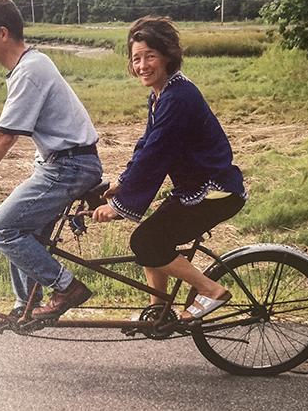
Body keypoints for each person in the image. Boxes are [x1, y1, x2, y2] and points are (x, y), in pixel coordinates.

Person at [0, 0, 102, 323]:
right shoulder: (27, 66)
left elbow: (4, 135)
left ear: (2, 33)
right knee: (21, 229)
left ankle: (66, 287)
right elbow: (6, 134)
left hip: (70, 166)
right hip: (63, 164)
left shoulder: (30, 70)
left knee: (0, 229)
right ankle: (25, 307)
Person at [92, 16, 247, 320]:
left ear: (167, 56)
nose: (142, 65)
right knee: (150, 237)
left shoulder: (178, 96)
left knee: (145, 241)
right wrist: (123, 183)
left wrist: (119, 207)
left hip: (214, 191)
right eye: (136, 58)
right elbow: (147, 143)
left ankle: (211, 290)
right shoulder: (162, 94)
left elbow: (156, 154)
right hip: (198, 188)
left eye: (150, 56)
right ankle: (159, 309)